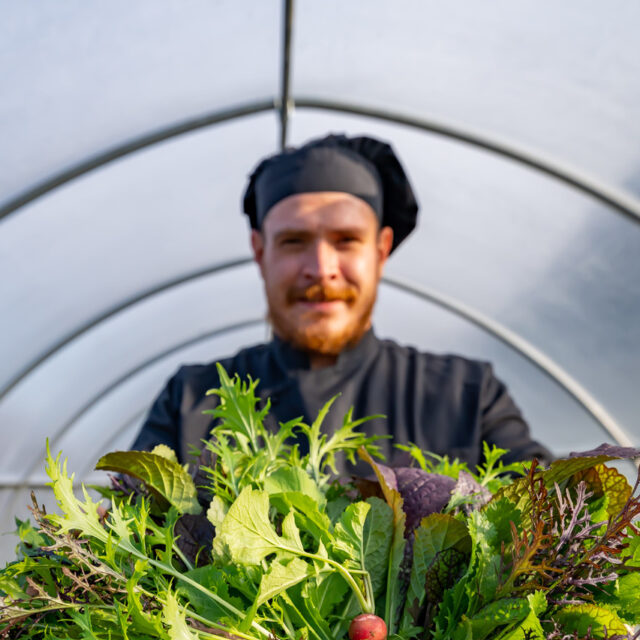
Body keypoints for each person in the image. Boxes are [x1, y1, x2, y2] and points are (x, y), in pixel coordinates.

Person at [131, 133, 552, 473]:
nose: (321, 268)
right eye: (294, 242)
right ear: (260, 253)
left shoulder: (466, 396)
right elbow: (122, 538)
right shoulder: (191, 400)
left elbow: (554, 517)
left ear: (381, 250)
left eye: (346, 241)